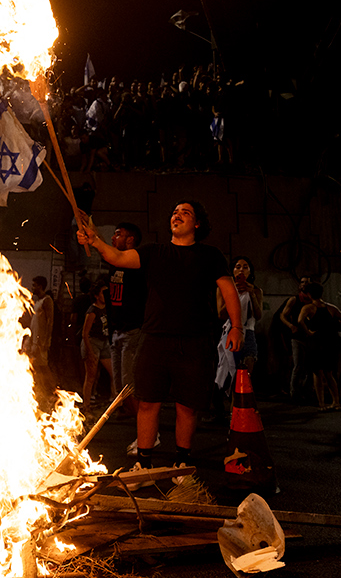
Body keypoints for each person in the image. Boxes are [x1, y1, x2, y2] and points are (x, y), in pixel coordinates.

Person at [77, 200, 242, 488]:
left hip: (195, 340)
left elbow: (229, 290)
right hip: (154, 337)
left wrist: (236, 327)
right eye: (175, 211)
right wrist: (96, 240)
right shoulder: (154, 252)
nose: (177, 215)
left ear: (197, 224)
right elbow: (116, 257)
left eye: (185, 212)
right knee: (147, 402)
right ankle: (143, 462)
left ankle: (181, 461)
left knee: (187, 405)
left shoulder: (210, 255)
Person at [106, 222, 150, 455]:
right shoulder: (113, 263)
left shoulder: (136, 262)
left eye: (118, 234)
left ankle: (149, 436)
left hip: (133, 331)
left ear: (131, 240)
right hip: (117, 332)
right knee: (120, 390)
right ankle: (144, 434)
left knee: (129, 388)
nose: (113, 238)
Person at [213, 256, 263, 417]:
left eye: (245, 267)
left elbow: (259, 314)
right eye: (238, 267)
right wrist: (232, 294)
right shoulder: (224, 288)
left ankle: (239, 414)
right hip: (230, 332)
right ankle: (222, 409)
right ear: (232, 271)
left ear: (250, 271)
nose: (241, 270)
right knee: (226, 374)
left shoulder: (256, 290)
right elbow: (220, 313)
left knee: (244, 378)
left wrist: (251, 294)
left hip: (248, 333)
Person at [297, 281, 341, 411]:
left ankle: (321, 403)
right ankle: (336, 402)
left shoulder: (308, 308)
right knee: (329, 373)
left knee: (317, 373)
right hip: (330, 342)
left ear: (309, 294)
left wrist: (308, 332)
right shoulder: (331, 308)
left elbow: (299, 321)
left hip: (316, 342)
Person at [81, 280, 113, 415]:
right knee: (91, 377)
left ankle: (115, 402)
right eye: (103, 293)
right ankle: (86, 406)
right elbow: (85, 333)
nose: (106, 295)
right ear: (96, 295)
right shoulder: (92, 311)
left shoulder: (107, 308)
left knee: (114, 373)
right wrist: (90, 352)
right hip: (93, 342)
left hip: (104, 342)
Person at [280, 276, 313, 400]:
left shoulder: (313, 301)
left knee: (310, 367)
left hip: (310, 337)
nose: (304, 284)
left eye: (307, 283)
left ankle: (307, 390)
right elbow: (282, 315)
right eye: (302, 282)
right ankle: (294, 393)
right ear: (299, 285)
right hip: (297, 337)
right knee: (298, 365)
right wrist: (290, 326)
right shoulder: (294, 300)